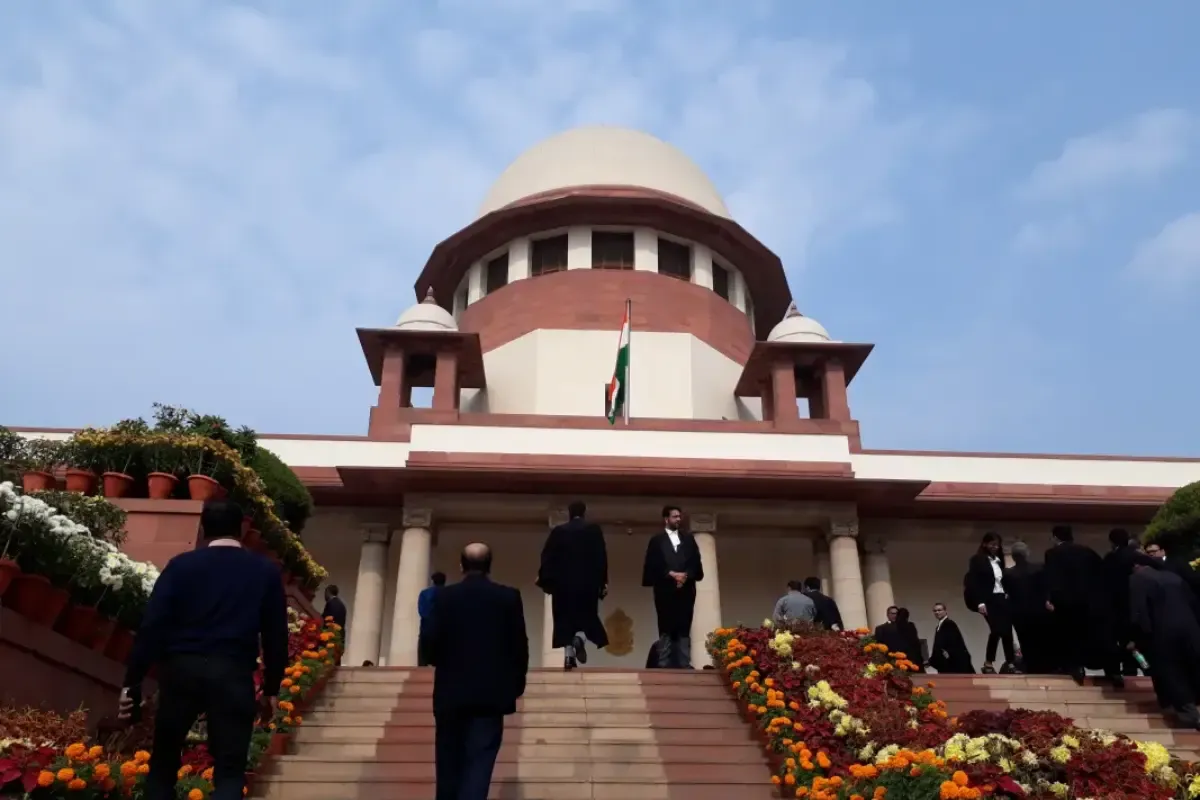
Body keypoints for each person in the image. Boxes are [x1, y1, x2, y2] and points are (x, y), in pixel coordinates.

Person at [118, 500, 288, 800]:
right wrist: (272, 688)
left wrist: (133, 681)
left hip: (181, 670)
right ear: (243, 528)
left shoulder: (181, 566)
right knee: (230, 770)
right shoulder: (264, 571)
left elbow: (153, 626)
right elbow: (275, 634)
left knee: (163, 762)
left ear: (203, 528)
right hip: (233, 672)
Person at [420, 543, 528, 800]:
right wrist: (516, 685)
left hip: (450, 693)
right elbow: (519, 646)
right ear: (490, 566)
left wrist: (436, 660)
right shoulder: (508, 597)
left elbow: (429, 641)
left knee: (448, 763)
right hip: (490, 696)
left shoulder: (443, 597)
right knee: (479, 764)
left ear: (461, 566)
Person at [1043, 524, 1123, 687]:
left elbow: (1052, 579)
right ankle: (1113, 671)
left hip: (1067, 603)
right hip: (1091, 602)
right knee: (1098, 637)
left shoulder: (1052, 554)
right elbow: (1101, 574)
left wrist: (1051, 599)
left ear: (1055, 537)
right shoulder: (1087, 551)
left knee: (1071, 636)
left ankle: (1076, 669)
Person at [1129, 554, 1200, 728]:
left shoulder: (1138, 579)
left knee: (1172, 671)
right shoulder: (1173, 576)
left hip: (1163, 631)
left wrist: (1139, 637)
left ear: (1136, 565)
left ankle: (1190, 714)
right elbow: (1194, 602)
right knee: (1193, 666)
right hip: (1190, 628)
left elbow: (1140, 612)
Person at [537, 500, 609, 670]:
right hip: (587, 584)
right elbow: (601, 558)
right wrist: (603, 582)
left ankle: (569, 658)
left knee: (564, 621)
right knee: (587, 617)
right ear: (584, 512)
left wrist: (544, 579)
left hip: (563, 586)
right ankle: (581, 639)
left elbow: (547, 557)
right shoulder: (593, 531)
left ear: (569, 513)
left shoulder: (559, 532)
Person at [641, 505, 704, 669]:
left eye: (679, 517)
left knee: (684, 625)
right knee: (665, 626)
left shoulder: (688, 540)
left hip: (686, 590)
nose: (678, 519)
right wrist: (670, 574)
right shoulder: (657, 541)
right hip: (665, 591)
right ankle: (663, 662)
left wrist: (685, 576)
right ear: (666, 519)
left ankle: (684, 662)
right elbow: (652, 565)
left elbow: (696, 563)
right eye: (675, 517)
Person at [963, 532, 1019, 674]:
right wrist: (980, 602)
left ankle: (1011, 663)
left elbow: (1002, 580)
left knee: (1007, 630)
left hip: (1002, 597)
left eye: (997, 544)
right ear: (984, 544)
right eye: (992, 544)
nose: (995, 547)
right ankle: (988, 662)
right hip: (988, 599)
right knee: (996, 629)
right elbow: (973, 582)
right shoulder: (977, 560)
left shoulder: (999, 560)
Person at [1005, 542, 1052, 674]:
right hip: (1038, 612)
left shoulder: (1008, 574)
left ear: (1013, 556)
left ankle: (1030, 668)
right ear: (1027, 554)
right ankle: (1044, 668)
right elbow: (1046, 588)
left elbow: (1007, 593)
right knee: (1041, 641)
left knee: (1025, 642)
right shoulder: (1039, 568)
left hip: (1019, 614)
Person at [1102, 529, 1145, 676]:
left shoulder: (1110, 558)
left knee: (1114, 642)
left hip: (1114, 607)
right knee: (1132, 642)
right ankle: (1132, 669)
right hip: (1134, 605)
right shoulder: (1137, 557)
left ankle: (1113, 672)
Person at [929, 602, 974, 674]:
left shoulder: (949, 624)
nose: (937, 612)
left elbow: (954, 642)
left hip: (952, 663)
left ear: (945, 611)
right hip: (945, 662)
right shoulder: (939, 626)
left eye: (939, 610)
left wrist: (948, 653)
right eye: (935, 611)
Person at [417, 572, 446, 667]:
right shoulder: (449, 594)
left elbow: (422, 611)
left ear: (432, 581)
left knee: (423, 662)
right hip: (444, 632)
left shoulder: (424, 594)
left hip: (427, 631)